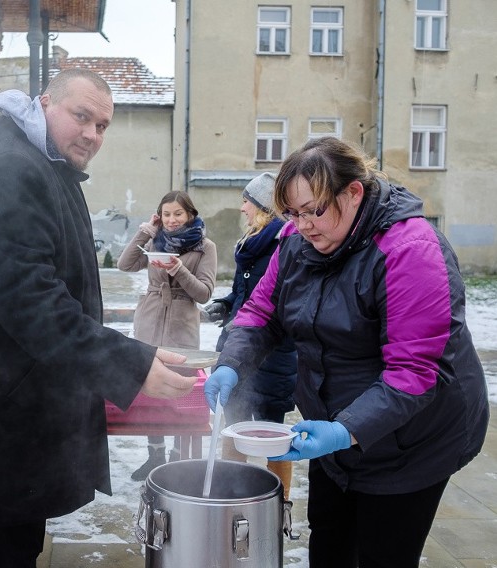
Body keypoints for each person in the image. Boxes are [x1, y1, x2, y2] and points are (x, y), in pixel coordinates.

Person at [0, 68, 197, 568]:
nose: (93, 134)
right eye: (82, 116)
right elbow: (30, 300)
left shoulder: (33, 157)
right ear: (45, 103)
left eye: (103, 126)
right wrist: (128, 365)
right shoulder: (13, 168)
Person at [204, 137, 489, 568]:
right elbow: (261, 311)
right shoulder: (297, 243)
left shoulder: (409, 250)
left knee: (383, 550)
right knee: (331, 541)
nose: (303, 225)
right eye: (293, 213)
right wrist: (231, 363)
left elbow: (413, 373)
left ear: (353, 192)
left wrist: (345, 431)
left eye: (313, 210)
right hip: (335, 429)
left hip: (413, 442)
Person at [203, 172, 297, 499]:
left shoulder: (283, 246)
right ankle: (234, 496)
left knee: (275, 439)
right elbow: (244, 295)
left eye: (246, 201)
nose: (242, 208)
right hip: (236, 353)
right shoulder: (252, 246)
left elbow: (276, 307)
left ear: (262, 207)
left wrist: (243, 319)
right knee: (232, 430)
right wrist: (225, 305)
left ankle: (280, 505)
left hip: (273, 361)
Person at [117, 190, 217, 480]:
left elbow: (204, 293)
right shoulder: (154, 239)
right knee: (151, 389)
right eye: (166, 214)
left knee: (178, 391)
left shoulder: (204, 246)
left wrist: (179, 268)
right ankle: (155, 455)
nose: (172, 220)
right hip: (148, 320)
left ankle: (175, 458)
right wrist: (143, 233)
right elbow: (125, 265)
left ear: (190, 215)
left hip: (181, 323)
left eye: (178, 214)